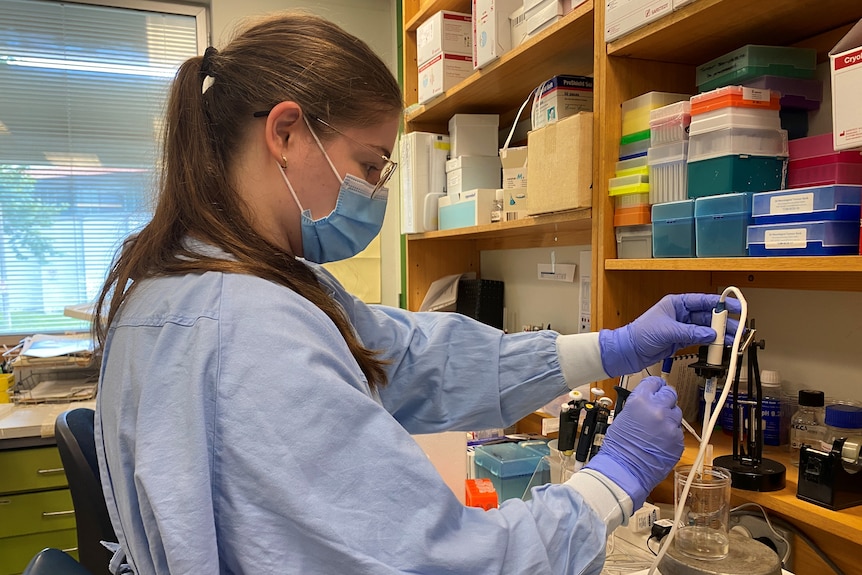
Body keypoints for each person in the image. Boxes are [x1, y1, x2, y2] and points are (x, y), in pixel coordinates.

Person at [92, 11, 741, 575]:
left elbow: (413, 357)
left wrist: (609, 346)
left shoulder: (207, 278)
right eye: (372, 164)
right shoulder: (249, 328)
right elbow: (440, 561)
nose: (375, 189)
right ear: (285, 133)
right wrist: (612, 479)